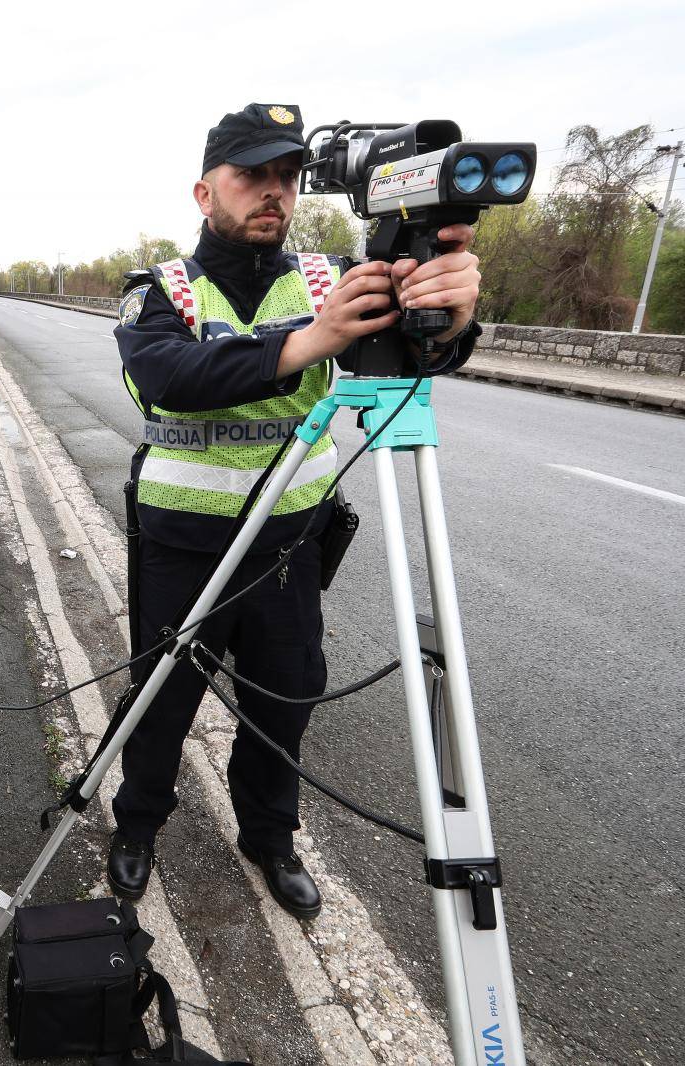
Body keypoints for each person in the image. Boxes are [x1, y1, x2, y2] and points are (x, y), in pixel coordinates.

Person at [107, 103, 483, 918]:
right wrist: (308, 342)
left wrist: (449, 318)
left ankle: (269, 840)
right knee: (160, 701)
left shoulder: (327, 279)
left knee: (285, 702)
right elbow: (169, 377)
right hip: (181, 549)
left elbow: (414, 356)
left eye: (286, 175)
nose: (273, 192)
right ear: (205, 193)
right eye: (252, 175)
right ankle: (137, 826)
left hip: (288, 550)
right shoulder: (161, 289)